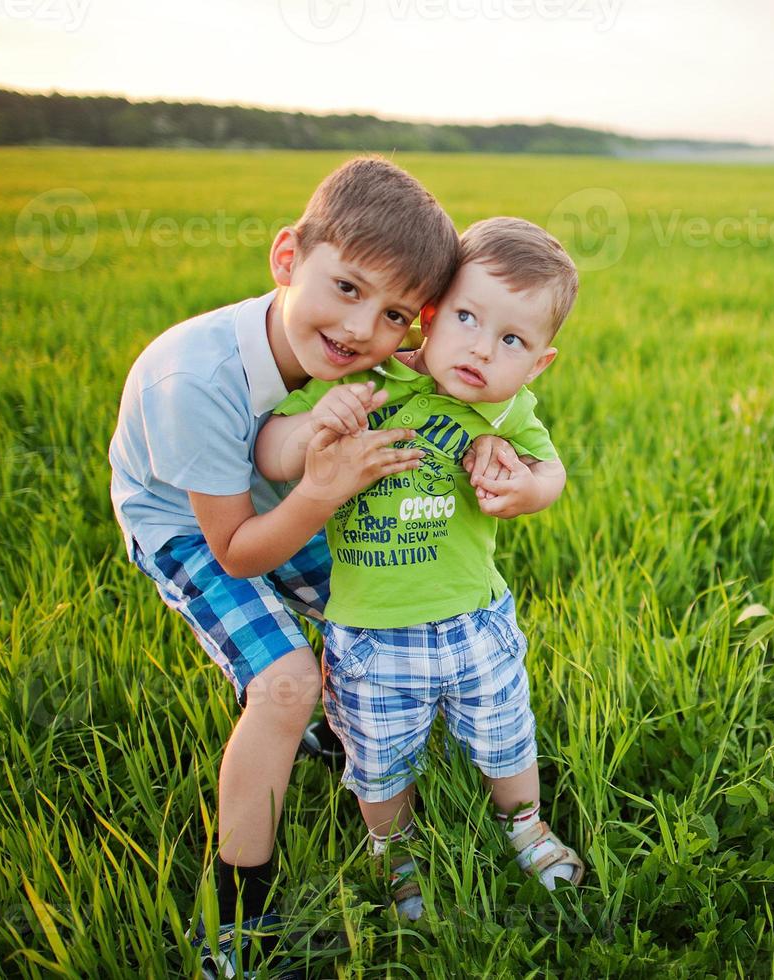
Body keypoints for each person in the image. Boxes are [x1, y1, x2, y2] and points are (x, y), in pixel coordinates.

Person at [108, 157, 518, 975]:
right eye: (348, 288)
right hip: (195, 526)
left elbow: (468, 392)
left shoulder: (372, 356)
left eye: (396, 314)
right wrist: (323, 493)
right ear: (288, 258)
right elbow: (237, 550)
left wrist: (496, 446)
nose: (365, 330)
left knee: (382, 611)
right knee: (287, 682)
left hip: (294, 494)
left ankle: (360, 746)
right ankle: (237, 909)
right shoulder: (197, 379)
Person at [255, 217, 584, 922]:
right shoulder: (363, 384)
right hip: (374, 633)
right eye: (466, 317)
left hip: (475, 619)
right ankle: (392, 848)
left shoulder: (505, 407)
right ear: (430, 315)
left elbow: (548, 469)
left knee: (505, 733)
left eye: (511, 341)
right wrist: (318, 427)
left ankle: (523, 825)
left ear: (538, 363)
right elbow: (270, 451)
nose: (480, 348)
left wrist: (526, 489)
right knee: (379, 757)